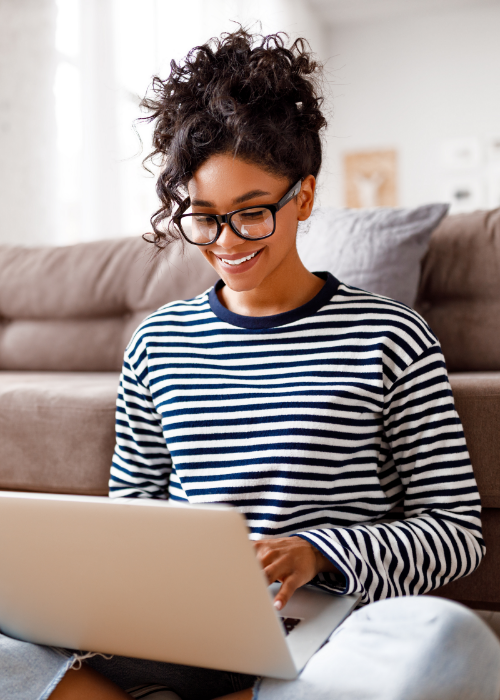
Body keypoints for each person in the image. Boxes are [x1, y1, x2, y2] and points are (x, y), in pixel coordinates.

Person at [1, 28, 500, 700]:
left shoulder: (391, 335)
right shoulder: (158, 342)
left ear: (303, 197)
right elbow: (132, 516)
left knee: (448, 642)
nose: (227, 242)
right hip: (177, 630)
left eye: (251, 213)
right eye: (203, 218)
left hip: (325, 633)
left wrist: (319, 551)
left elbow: (454, 532)